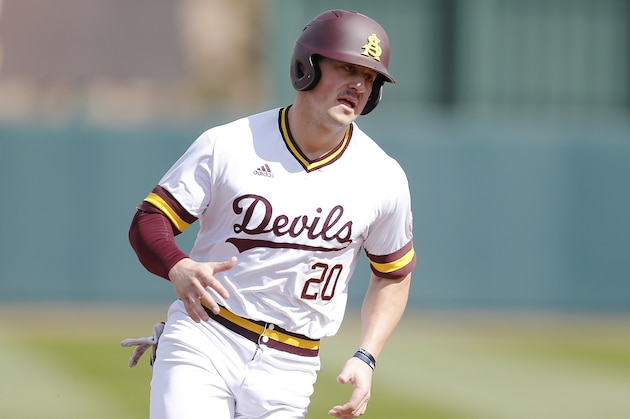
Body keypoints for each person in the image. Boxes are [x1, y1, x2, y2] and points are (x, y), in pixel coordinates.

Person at [126, 9, 416, 419]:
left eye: (370, 78)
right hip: (207, 338)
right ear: (307, 67)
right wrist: (178, 266)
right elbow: (148, 221)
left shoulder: (382, 176)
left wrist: (367, 356)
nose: (358, 84)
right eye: (347, 67)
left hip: (292, 366)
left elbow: (394, 275)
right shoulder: (229, 144)